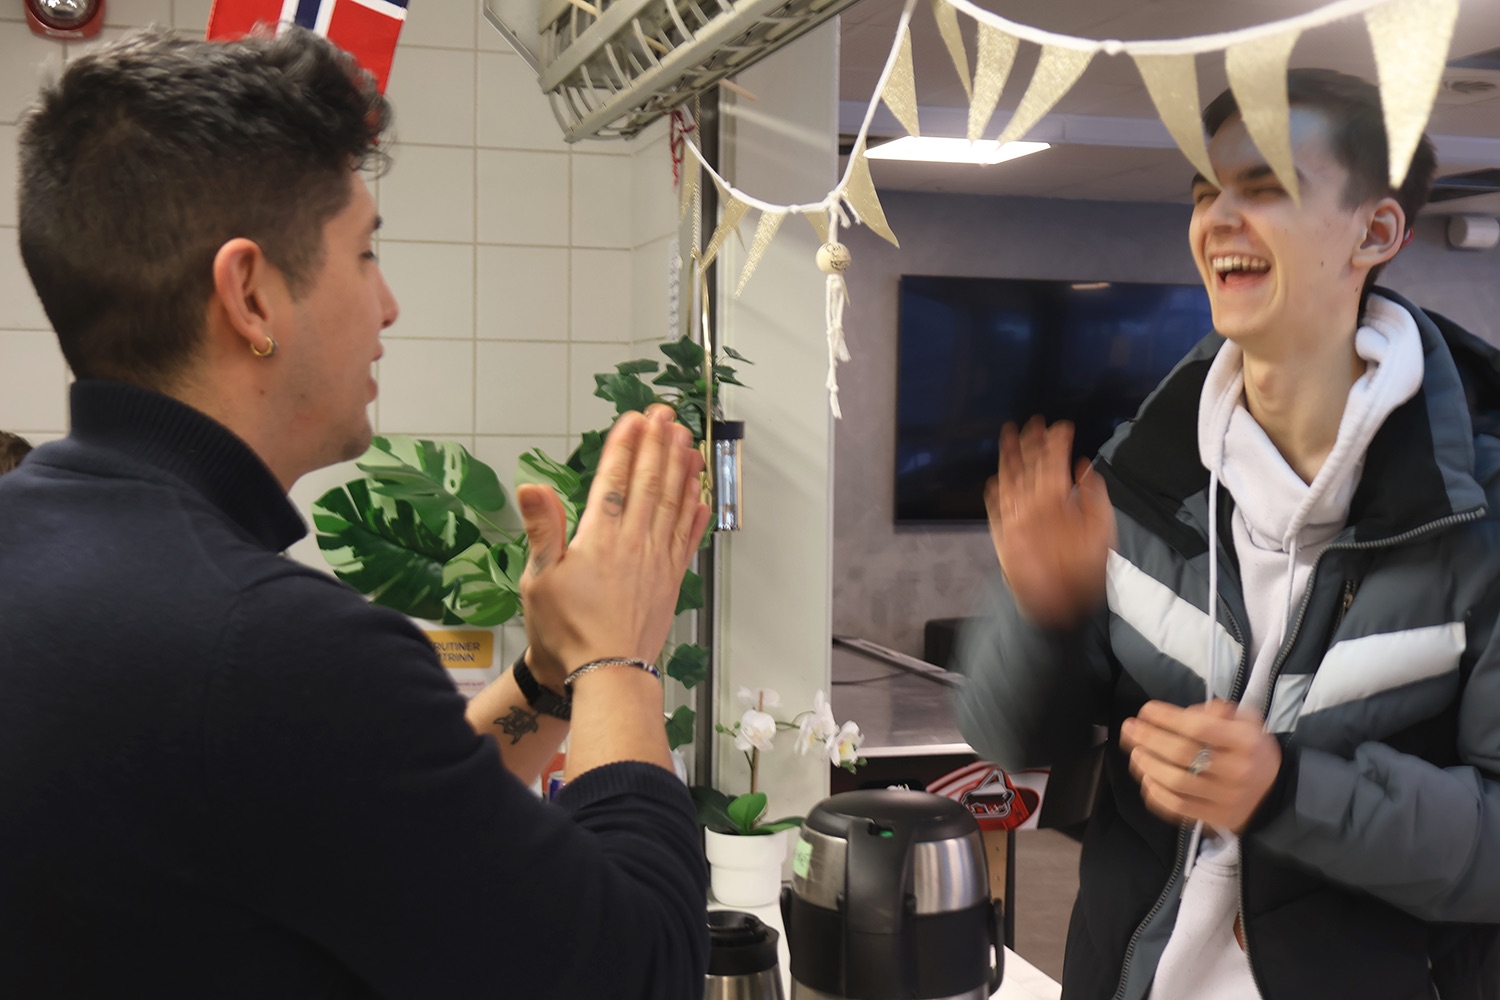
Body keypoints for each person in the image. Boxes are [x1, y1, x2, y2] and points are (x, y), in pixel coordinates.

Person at [0, 28, 712, 999]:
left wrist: (549, 679)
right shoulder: (268, 649)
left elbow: (369, 814)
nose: (388, 306)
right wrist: (618, 660)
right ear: (250, 296)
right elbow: (641, 973)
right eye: (366, 252)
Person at [955, 69, 1500, 1000]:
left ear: (1375, 232)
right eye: (1206, 192)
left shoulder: (1478, 515)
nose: (1218, 220)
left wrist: (1287, 793)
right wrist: (1041, 616)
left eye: (1266, 187)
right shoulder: (1141, 475)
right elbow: (1014, 742)